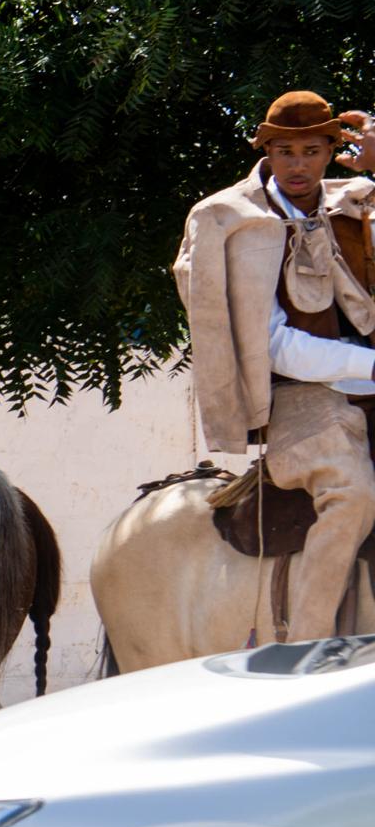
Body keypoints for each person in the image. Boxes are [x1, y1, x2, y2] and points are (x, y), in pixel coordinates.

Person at [175, 91, 375, 641]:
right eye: (285, 151)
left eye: (312, 151)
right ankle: (309, 649)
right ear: (267, 151)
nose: (298, 165)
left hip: (365, 381)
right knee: (352, 495)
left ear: (332, 150)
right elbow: (275, 347)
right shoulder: (234, 221)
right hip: (297, 396)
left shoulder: (355, 203)